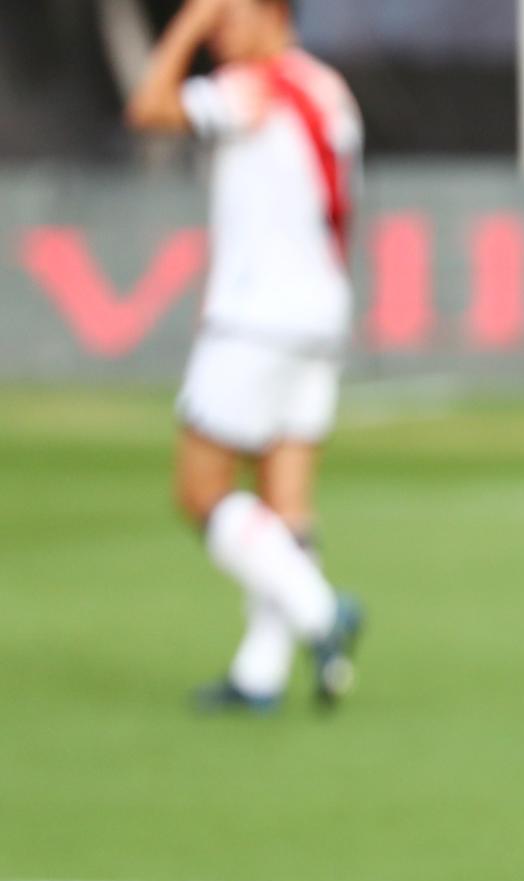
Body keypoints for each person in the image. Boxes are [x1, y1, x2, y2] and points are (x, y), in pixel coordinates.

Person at [126, 0, 364, 712]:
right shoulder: (328, 86)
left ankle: (321, 612)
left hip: (255, 318)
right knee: (284, 504)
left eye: (230, 17)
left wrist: (185, 28)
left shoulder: (251, 87)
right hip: (321, 312)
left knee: (200, 491)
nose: (220, 34)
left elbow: (149, 109)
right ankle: (263, 674)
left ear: (272, 13)